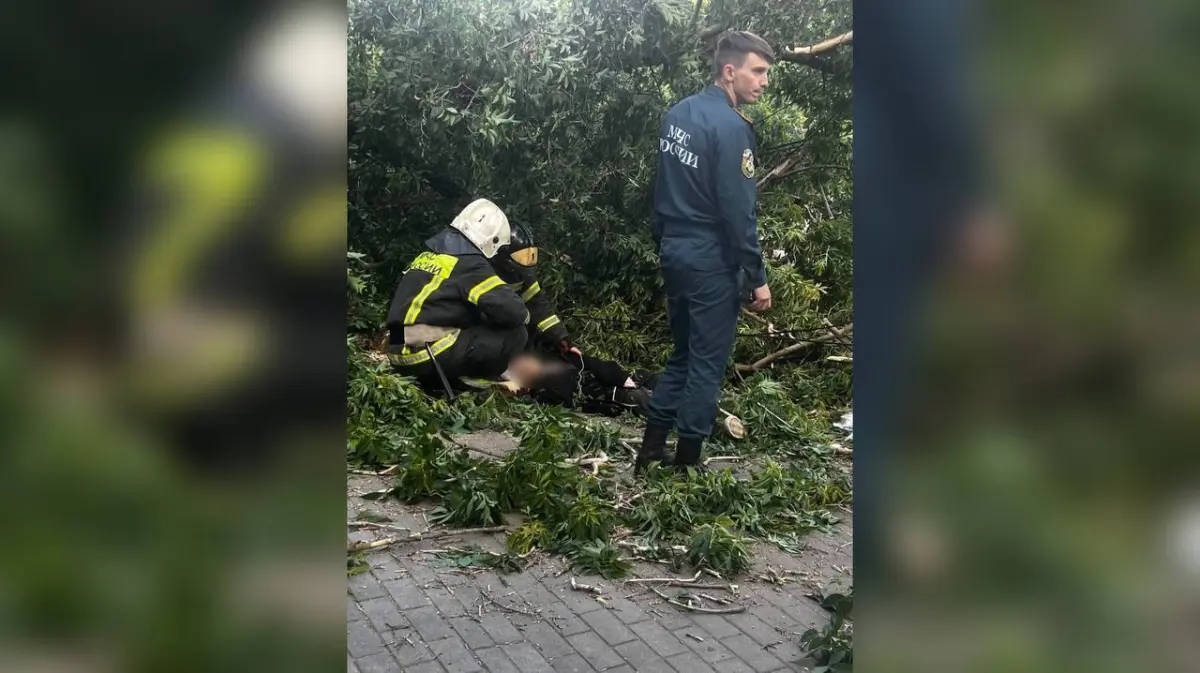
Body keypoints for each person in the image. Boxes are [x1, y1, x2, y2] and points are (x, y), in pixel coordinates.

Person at [636, 31, 775, 473]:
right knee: (706, 362)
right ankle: (687, 460)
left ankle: (651, 450)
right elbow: (739, 213)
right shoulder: (732, 128)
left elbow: (663, 189)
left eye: (767, 73)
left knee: (681, 352)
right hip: (709, 256)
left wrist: (666, 244)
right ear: (729, 71)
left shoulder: (677, 114)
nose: (765, 82)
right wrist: (757, 276)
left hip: (675, 250)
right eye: (758, 71)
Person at [385, 198, 576, 391]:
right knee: (517, 333)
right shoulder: (471, 264)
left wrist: (560, 337)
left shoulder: (431, 255)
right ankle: (476, 380)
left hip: (396, 344)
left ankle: (437, 377)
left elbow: (537, 303)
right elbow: (517, 313)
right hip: (427, 353)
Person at [505, 351, 656, 417]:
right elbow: (566, 403)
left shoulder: (562, 362)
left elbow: (599, 365)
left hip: (631, 384)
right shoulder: (542, 393)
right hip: (622, 396)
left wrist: (622, 378)